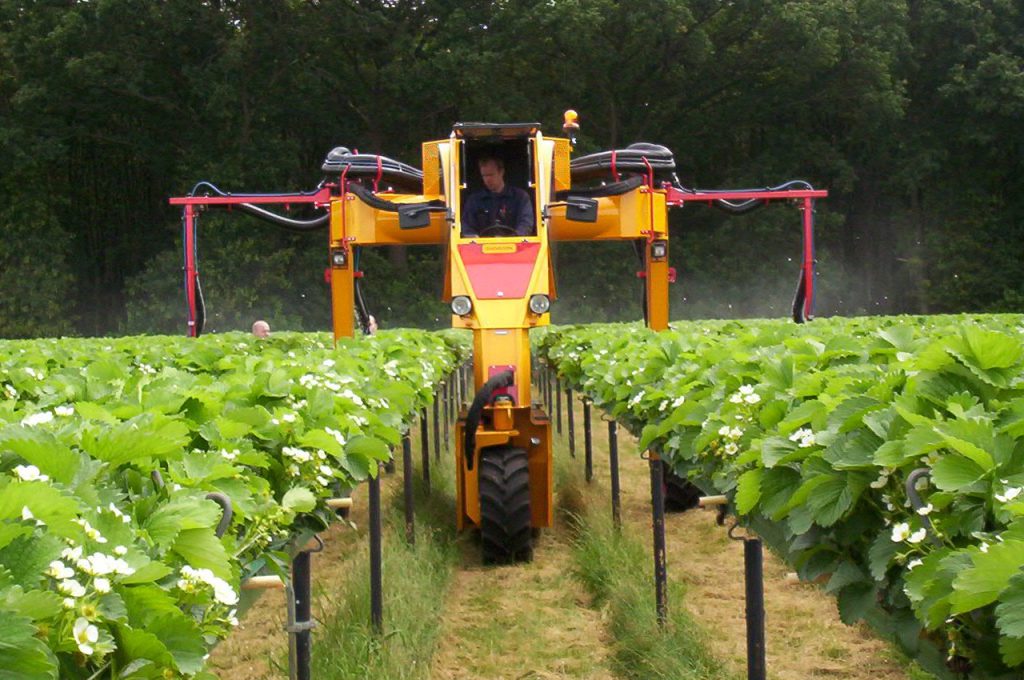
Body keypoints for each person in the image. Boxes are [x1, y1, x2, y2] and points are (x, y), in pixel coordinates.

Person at [461, 156, 534, 237]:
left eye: (491, 175)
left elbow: (526, 224)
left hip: (515, 247)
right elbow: (467, 226)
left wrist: (515, 237)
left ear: (501, 172)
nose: (487, 179)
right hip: (481, 247)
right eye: (484, 176)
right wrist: (473, 238)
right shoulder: (474, 200)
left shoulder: (521, 197)